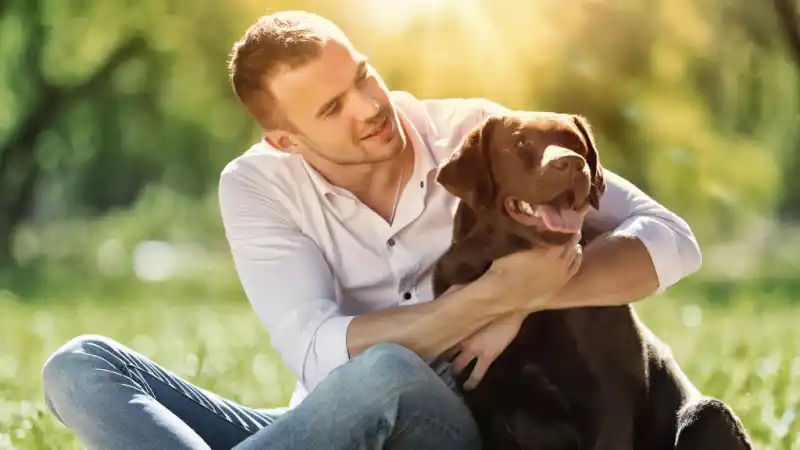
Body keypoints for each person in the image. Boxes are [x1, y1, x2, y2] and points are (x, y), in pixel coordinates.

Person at [41, 10, 702, 450]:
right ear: (287, 140)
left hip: (463, 420)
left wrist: (534, 292)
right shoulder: (255, 187)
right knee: (78, 368)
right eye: (332, 108)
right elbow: (321, 352)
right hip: (327, 425)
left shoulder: (475, 137)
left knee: (387, 369)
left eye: (362, 75)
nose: (368, 107)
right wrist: (491, 299)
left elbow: (671, 239)